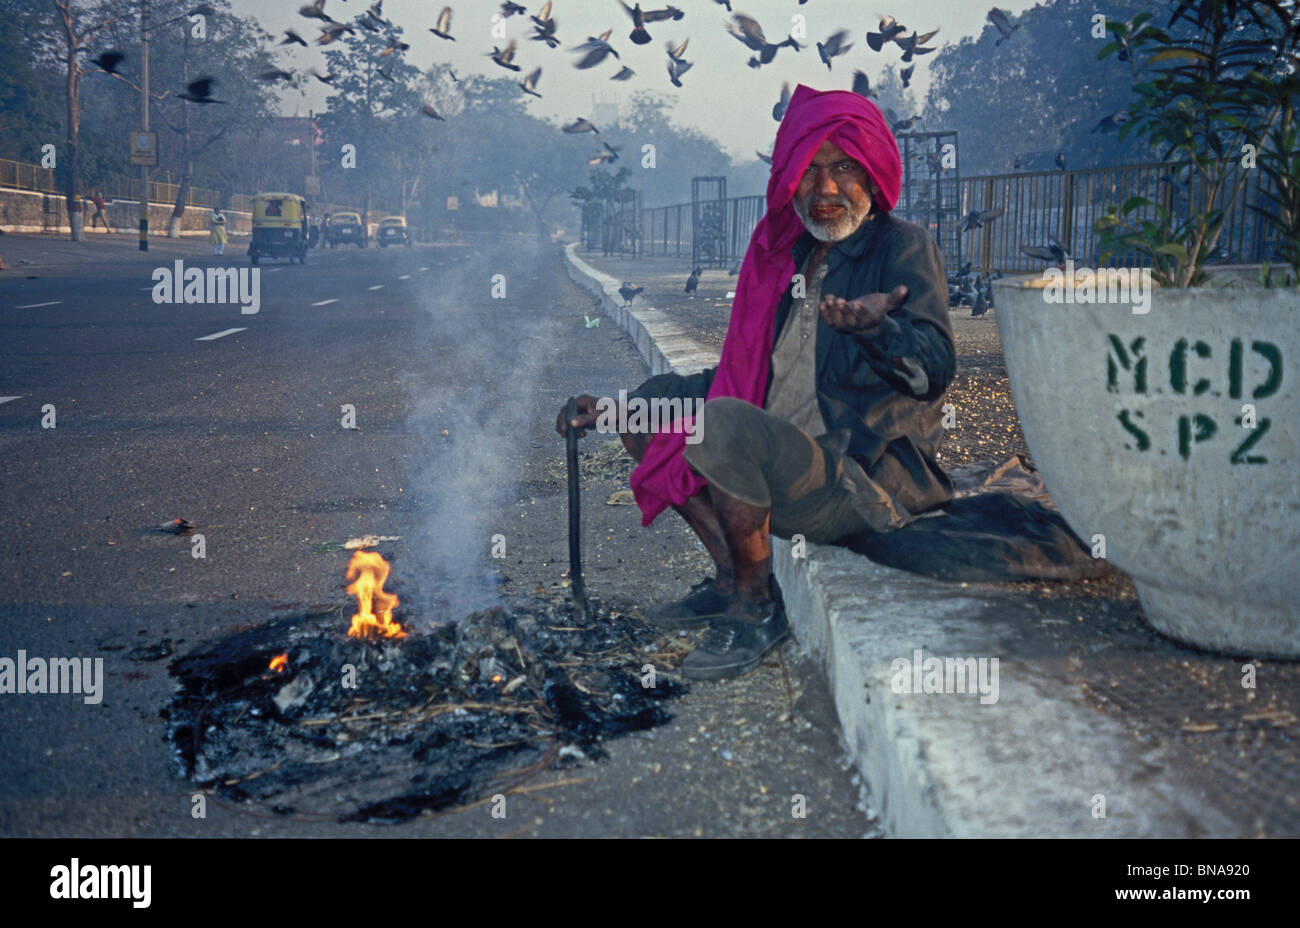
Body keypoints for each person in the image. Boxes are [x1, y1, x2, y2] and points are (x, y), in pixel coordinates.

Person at [556, 85, 955, 681]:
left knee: (721, 425)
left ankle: (756, 605)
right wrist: (615, 411)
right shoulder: (784, 256)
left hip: (852, 474)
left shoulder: (902, 248)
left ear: (870, 173)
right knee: (649, 407)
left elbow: (934, 371)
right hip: (774, 459)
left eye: (842, 167)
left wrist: (881, 332)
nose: (824, 189)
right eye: (810, 170)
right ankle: (727, 575)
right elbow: (743, 380)